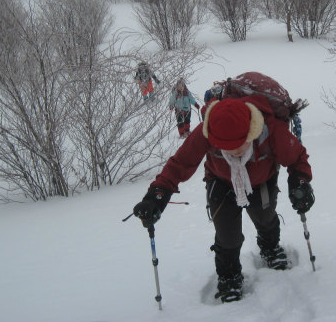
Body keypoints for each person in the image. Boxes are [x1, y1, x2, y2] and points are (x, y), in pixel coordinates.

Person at [133, 95, 315, 303]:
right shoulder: (206, 131)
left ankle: (270, 247)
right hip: (221, 182)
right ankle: (229, 277)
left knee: (264, 217)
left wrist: (300, 182)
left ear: (251, 131)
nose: (232, 151)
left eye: (239, 145)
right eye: (225, 146)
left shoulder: (271, 129)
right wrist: (157, 196)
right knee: (227, 234)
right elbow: (179, 165)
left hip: (262, 180)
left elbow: (298, 157)